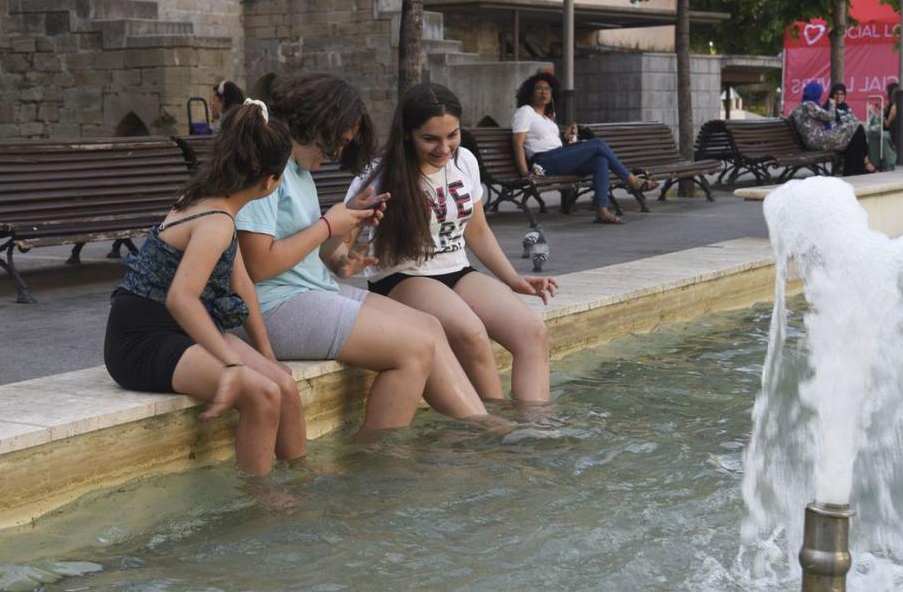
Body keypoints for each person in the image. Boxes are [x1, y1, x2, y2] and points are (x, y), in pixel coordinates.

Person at [233, 73, 489, 431]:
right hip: (271, 306)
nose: (336, 154)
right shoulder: (267, 172)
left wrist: (340, 256)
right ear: (315, 126)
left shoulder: (298, 172)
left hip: (306, 291)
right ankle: (377, 460)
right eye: (337, 143)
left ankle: (481, 425)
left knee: (429, 326)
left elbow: (304, 253)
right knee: (411, 349)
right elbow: (257, 266)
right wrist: (327, 225)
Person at [103, 101, 304, 477]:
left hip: (178, 331)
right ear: (271, 181)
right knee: (262, 395)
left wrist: (267, 353)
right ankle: (259, 504)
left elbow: (240, 280)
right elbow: (182, 298)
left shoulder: (219, 203)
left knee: (284, 385)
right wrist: (230, 363)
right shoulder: (215, 221)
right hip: (140, 340)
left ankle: (301, 479)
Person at [347, 83, 557, 404]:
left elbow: (478, 232)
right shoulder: (379, 174)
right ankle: (496, 428)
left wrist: (513, 280)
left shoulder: (465, 161)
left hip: (456, 270)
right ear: (407, 133)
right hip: (404, 277)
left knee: (532, 332)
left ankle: (534, 426)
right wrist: (345, 254)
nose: (444, 148)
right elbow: (340, 243)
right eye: (430, 138)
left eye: (452, 135)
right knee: (470, 332)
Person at [510, 73, 657, 225]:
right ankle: (631, 180)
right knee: (598, 144)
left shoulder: (548, 119)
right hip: (542, 162)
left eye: (547, 89)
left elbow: (551, 144)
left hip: (557, 158)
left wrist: (568, 138)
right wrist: (524, 173)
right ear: (530, 93)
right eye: (539, 89)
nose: (544, 92)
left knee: (600, 161)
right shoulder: (525, 111)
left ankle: (602, 211)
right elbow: (518, 143)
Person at [788, 82, 874, 175]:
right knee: (856, 128)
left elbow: (789, 117)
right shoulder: (809, 105)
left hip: (812, 141)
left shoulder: (798, 108)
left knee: (855, 130)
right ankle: (857, 168)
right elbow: (830, 116)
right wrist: (832, 105)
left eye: (842, 94)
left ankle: (855, 168)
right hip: (819, 140)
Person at [866, 84, 898, 171]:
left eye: (887, 91)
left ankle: (881, 164)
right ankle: (875, 163)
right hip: (884, 129)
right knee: (870, 132)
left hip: (890, 132)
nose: (885, 93)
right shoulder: (891, 105)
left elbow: (887, 124)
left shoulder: (894, 107)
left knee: (873, 133)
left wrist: (881, 111)